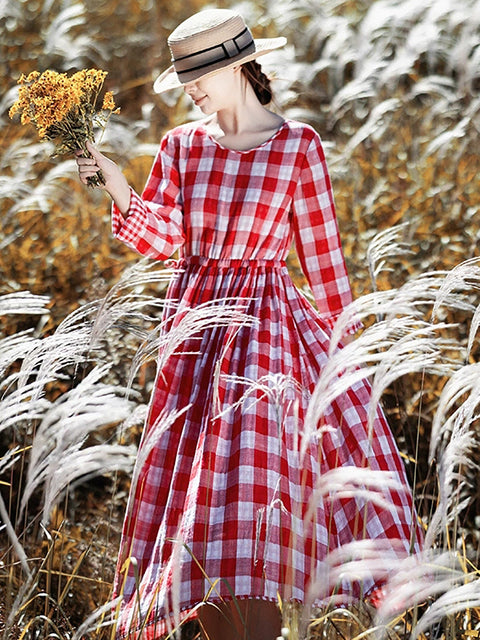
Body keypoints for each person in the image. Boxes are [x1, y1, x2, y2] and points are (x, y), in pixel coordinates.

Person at [76, 8, 422, 640]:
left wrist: (349, 358)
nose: (192, 87)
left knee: (248, 499)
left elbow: (324, 264)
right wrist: (120, 188)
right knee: (198, 502)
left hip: (267, 339)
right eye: (184, 75)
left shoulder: (298, 147)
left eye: (202, 72)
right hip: (195, 335)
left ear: (240, 65)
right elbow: (169, 238)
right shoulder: (181, 145)